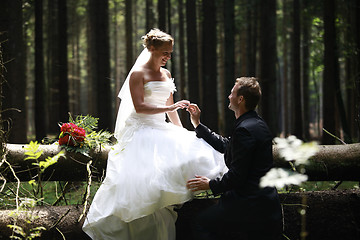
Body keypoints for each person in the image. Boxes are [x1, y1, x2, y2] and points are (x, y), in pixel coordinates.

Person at [82, 29, 226, 240]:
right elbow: (140, 107)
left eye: (170, 53)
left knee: (195, 151)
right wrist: (169, 109)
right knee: (146, 176)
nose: (167, 57)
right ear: (151, 49)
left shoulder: (166, 74)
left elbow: (171, 107)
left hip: (160, 126)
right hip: (141, 127)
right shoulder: (137, 74)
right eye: (164, 53)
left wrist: (180, 129)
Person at [186, 77, 283, 240]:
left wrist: (210, 184)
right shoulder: (256, 123)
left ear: (240, 99)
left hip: (249, 204)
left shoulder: (244, 129)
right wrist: (197, 125)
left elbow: (237, 176)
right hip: (267, 202)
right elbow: (227, 145)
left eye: (232, 93)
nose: (228, 96)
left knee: (200, 224)